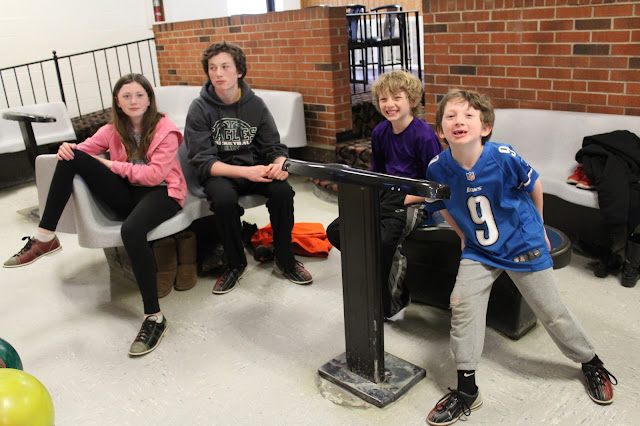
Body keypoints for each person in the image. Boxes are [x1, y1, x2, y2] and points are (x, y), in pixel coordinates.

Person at [423, 89, 618, 425]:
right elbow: (441, 205)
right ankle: (467, 390)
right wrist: (462, 236)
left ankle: (591, 362)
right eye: (450, 116)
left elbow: (534, 186)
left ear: (485, 127)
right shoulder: (437, 168)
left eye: (468, 115)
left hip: (521, 244)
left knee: (551, 311)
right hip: (480, 249)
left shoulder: (502, 156)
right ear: (441, 130)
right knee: (463, 307)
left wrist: (538, 225)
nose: (459, 121)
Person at [3, 73, 187, 357]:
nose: (134, 101)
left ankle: (154, 317)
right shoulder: (113, 129)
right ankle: (45, 237)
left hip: (163, 193)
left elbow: (153, 176)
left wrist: (112, 166)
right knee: (71, 158)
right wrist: (68, 148)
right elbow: (84, 152)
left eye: (139, 95)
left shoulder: (166, 129)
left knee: (131, 231)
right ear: (117, 102)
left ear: (149, 99)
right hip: (129, 193)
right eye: (126, 96)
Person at [184, 41, 312, 294]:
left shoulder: (255, 105)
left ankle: (285, 260)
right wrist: (245, 172)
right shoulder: (199, 108)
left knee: (283, 192)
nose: (218, 73)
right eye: (212, 68)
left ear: (239, 71)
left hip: (255, 169)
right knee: (223, 200)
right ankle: (235, 264)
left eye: (225, 67)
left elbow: (273, 147)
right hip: (221, 173)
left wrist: (280, 164)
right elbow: (202, 161)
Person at [326, 70, 442, 318]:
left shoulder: (424, 135)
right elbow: (376, 173)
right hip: (384, 194)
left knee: (384, 240)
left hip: (414, 199)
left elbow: (436, 185)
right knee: (336, 230)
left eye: (397, 97)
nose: (390, 104)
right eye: (383, 99)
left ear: (412, 101)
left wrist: (405, 199)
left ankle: (392, 300)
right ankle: (369, 273)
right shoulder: (380, 132)